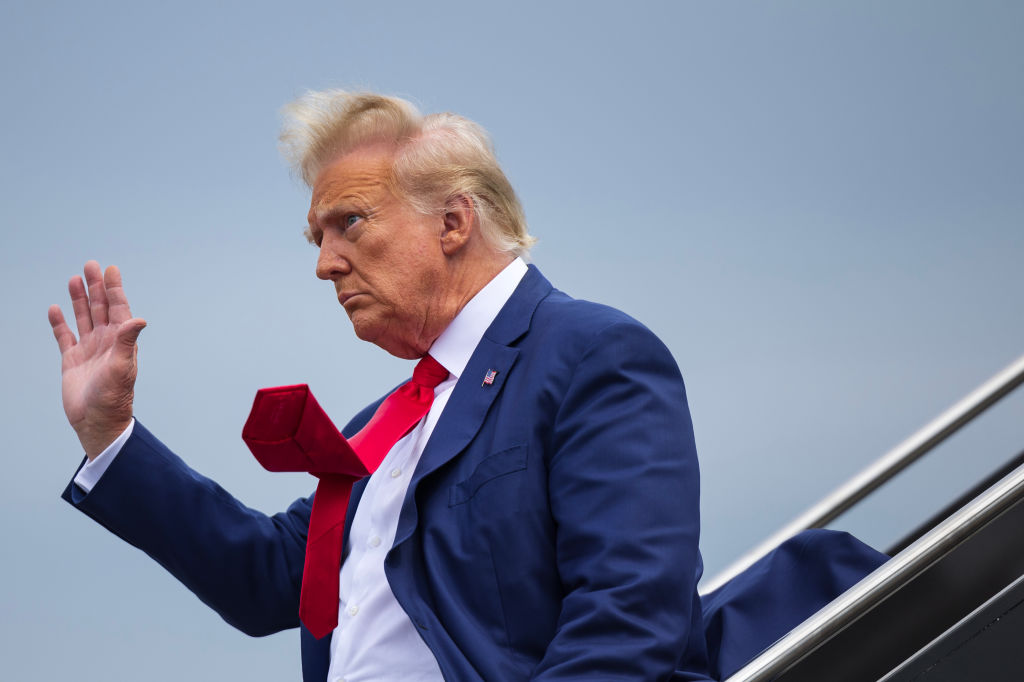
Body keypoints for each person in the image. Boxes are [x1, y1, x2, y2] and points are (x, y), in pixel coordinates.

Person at [50, 91, 712, 681]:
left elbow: (630, 613)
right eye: (317, 236)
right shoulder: (386, 422)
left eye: (351, 223)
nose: (323, 263)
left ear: (454, 222)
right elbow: (266, 578)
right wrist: (109, 433)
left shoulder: (592, 355)